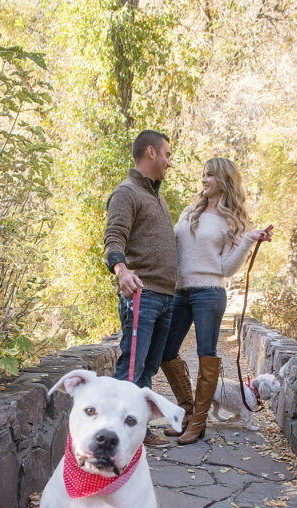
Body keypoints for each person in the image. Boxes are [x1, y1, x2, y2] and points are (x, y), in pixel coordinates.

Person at [159, 157, 272, 445]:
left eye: (210, 175)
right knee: (166, 351)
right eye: (203, 175)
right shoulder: (190, 210)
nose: (204, 180)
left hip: (209, 291)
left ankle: (198, 422)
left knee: (205, 354)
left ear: (224, 180)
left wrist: (248, 239)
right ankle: (187, 411)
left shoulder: (232, 219)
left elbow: (227, 268)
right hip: (180, 291)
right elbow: (172, 248)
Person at [104, 129, 177, 446]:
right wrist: (121, 270)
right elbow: (113, 237)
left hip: (165, 298)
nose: (168, 162)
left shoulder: (156, 196)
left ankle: (137, 430)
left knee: (147, 368)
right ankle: (114, 435)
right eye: (167, 155)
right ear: (151, 152)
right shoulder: (127, 192)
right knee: (131, 368)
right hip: (142, 297)